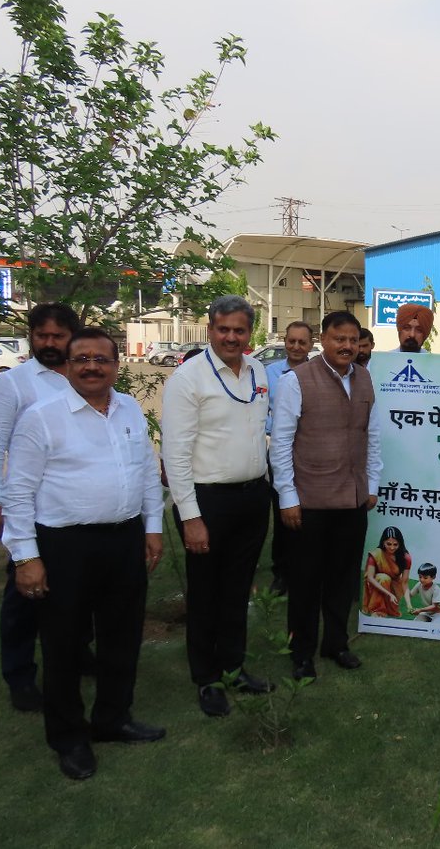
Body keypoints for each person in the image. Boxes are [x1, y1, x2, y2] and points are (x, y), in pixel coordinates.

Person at [1, 328, 165, 781]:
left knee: (122, 636)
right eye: (82, 359)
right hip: (64, 545)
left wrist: (153, 527)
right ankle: (69, 737)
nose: (92, 367)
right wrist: (26, 558)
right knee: (64, 644)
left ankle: (113, 718)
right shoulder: (41, 417)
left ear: (116, 365)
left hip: (124, 539)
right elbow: (18, 493)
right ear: (68, 366)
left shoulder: (128, 408)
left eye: (101, 359)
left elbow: (146, 472)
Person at [161, 295, 273, 717]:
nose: (231, 337)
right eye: (223, 329)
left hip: (252, 496)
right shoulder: (188, 378)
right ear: (210, 329)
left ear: (249, 333)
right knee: (206, 593)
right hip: (206, 502)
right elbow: (175, 454)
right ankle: (206, 679)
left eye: (239, 330)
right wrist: (191, 517)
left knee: (237, 590)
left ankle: (233, 667)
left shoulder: (258, 370)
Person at [0, 301, 81, 712]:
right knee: (24, 593)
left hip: (75, 508)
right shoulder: (13, 383)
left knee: (78, 589)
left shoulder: (85, 375)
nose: (49, 343)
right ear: (31, 337)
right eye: (42, 336)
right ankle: (19, 675)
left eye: (58, 336)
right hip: (28, 509)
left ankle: (80, 654)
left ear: (73, 337)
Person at [271, 310, 382, 679]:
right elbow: (281, 443)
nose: (347, 346)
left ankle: (336, 643)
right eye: (339, 339)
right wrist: (287, 496)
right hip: (310, 501)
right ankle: (301, 652)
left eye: (352, 340)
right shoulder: (296, 380)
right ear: (323, 340)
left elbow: (372, 435)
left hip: (352, 499)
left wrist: (372, 484)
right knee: (305, 580)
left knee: (342, 578)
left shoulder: (364, 378)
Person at [264, 321, 315, 595]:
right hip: (280, 452)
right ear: (285, 341)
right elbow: (260, 410)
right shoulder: (269, 373)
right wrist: (276, 429)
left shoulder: (318, 373)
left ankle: (305, 571)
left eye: (302, 342)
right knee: (283, 512)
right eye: (291, 341)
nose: (296, 346)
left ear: (311, 344)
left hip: (309, 455)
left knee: (309, 516)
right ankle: (281, 573)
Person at [363, 526, 412, 618]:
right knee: (384, 578)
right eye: (388, 544)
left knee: (386, 580)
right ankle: (378, 610)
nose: (392, 547)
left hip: (393, 587)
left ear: (400, 544)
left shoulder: (406, 558)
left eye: (395, 544)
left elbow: (404, 582)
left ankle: (388, 608)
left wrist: (409, 605)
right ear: (383, 542)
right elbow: (370, 578)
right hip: (375, 585)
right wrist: (389, 594)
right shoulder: (376, 554)